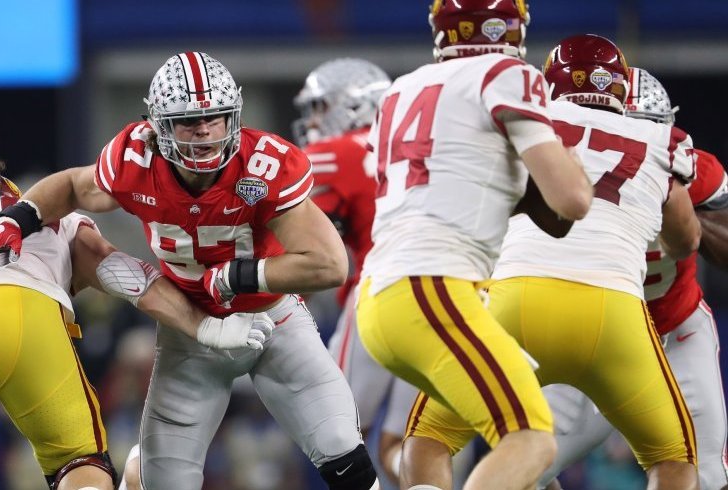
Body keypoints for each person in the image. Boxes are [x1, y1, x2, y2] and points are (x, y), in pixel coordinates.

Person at [0, 52, 380, 490]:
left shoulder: (264, 165)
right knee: (167, 480)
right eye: (187, 122)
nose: (203, 130)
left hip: (273, 320)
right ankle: (140, 469)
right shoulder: (137, 160)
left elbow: (330, 263)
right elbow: (71, 186)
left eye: (215, 118)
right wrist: (18, 217)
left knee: (342, 450)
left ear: (232, 117)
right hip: (190, 329)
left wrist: (239, 276)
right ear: (160, 127)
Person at [0, 150, 274, 490]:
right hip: (29, 317)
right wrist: (203, 323)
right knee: (81, 463)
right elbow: (123, 276)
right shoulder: (57, 220)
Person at [399, 35, 702, 490]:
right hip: (614, 312)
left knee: (428, 440)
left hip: (513, 301)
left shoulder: (521, 120)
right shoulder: (661, 139)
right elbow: (685, 239)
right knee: (673, 459)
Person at [354, 1, 594, 489]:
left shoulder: (403, 88)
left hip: (385, 300)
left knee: (442, 447)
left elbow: (479, 189)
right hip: (433, 289)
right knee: (532, 439)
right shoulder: (506, 73)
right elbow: (571, 201)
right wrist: (572, 165)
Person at [537, 67, 728, 490]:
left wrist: (685, 219)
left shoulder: (687, 170)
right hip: (591, 339)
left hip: (672, 330)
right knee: (524, 467)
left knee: (706, 475)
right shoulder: (556, 175)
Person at [293, 57, 420, 486]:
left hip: (379, 293)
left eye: (319, 107)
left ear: (352, 107)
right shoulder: (420, 144)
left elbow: (296, 246)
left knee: (337, 436)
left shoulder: (335, 153)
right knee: (404, 447)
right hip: (445, 295)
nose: (312, 121)